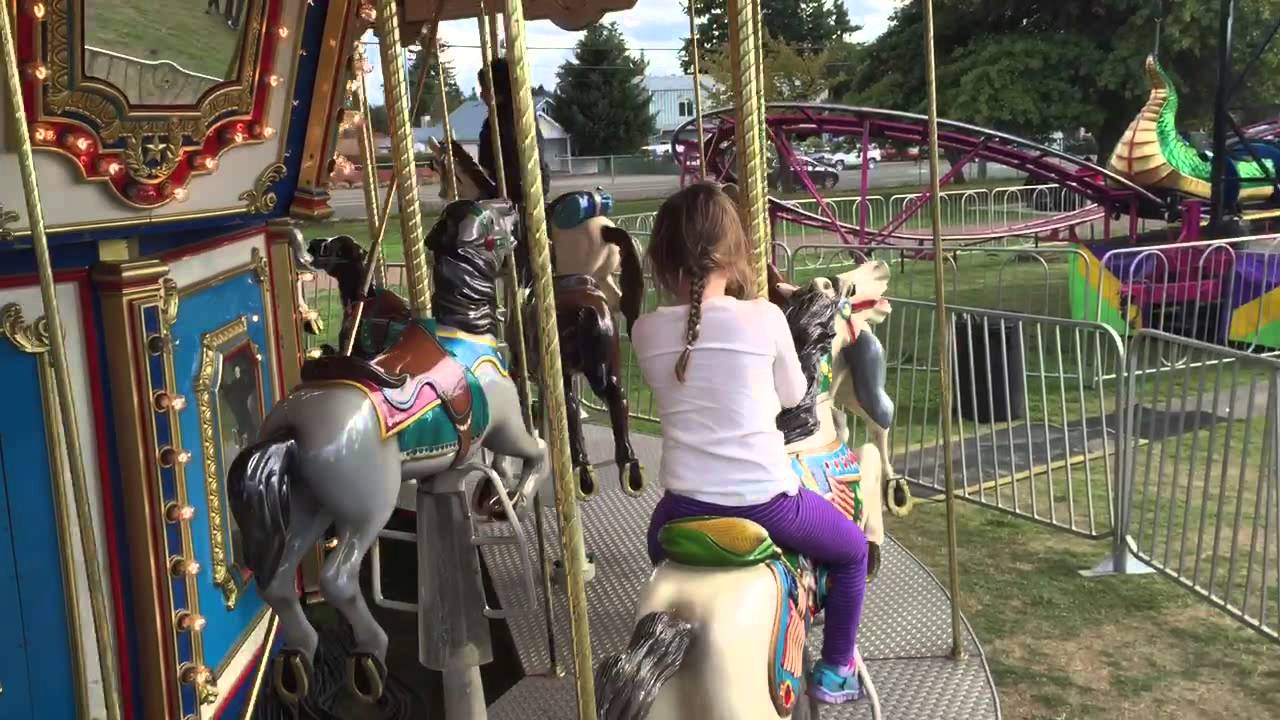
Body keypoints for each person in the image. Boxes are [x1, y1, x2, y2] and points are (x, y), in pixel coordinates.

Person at [631, 181, 869, 705]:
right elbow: (793, 396)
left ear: (662, 256)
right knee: (852, 553)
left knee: (658, 556)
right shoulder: (762, 317)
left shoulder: (645, 331)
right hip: (766, 502)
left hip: (681, 506)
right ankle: (833, 671)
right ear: (734, 253)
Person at [477, 58, 551, 283]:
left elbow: (489, 161)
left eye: (485, 88)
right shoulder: (524, 113)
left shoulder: (498, 120)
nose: (481, 94)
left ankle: (519, 273)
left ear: (497, 89)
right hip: (534, 181)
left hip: (514, 189)